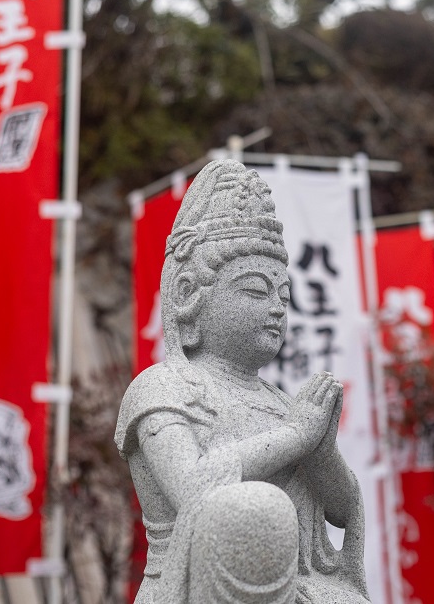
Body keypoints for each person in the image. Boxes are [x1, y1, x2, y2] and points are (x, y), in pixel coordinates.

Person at [115, 159, 370, 604]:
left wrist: (322, 451)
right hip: (200, 589)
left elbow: (344, 511)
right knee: (256, 510)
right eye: (255, 290)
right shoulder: (163, 387)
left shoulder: (283, 403)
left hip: (307, 588)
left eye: (283, 295)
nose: (276, 307)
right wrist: (295, 437)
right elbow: (194, 488)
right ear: (191, 296)